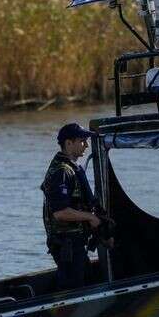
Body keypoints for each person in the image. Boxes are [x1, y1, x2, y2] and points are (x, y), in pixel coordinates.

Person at [41, 122, 104, 291]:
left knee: (87, 281)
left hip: (74, 242)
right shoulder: (62, 171)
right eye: (82, 140)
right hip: (66, 243)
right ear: (69, 143)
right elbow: (60, 213)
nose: (86, 145)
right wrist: (90, 217)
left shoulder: (70, 168)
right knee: (73, 290)